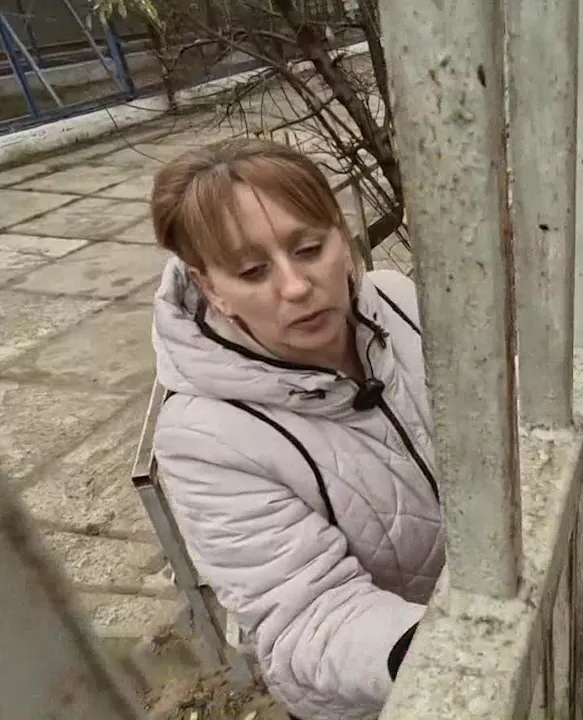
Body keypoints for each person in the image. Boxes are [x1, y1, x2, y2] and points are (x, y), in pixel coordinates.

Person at [147, 137, 444, 720]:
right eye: (252, 271)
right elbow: (306, 614)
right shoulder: (203, 442)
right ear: (210, 288)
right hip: (385, 695)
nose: (294, 286)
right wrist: (444, 654)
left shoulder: (401, 301)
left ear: (342, 234)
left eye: (309, 248)